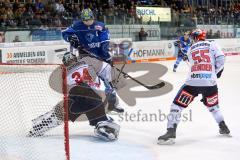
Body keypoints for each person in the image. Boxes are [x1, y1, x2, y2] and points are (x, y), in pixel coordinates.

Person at [158, 29, 230, 145]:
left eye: (193, 37)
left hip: (193, 83)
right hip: (210, 83)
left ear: (196, 38)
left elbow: (191, 61)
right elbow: (221, 59)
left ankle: (170, 132)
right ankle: (223, 127)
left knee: (177, 105)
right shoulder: (212, 44)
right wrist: (214, 72)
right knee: (213, 106)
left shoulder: (191, 48)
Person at [28, 51, 121, 141]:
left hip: (75, 93)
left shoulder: (64, 73)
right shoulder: (84, 63)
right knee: (95, 102)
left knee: (67, 112)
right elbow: (100, 76)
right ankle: (102, 122)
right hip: (84, 90)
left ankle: (39, 125)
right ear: (74, 59)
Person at [62, 8, 124, 113]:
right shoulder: (77, 26)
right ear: (82, 19)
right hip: (85, 58)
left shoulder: (100, 26)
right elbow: (65, 33)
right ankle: (93, 107)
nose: (87, 22)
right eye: (85, 20)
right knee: (93, 84)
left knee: (109, 82)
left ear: (93, 17)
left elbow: (104, 42)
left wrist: (107, 57)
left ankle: (112, 105)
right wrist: (71, 38)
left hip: (100, 58)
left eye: (89, 20)